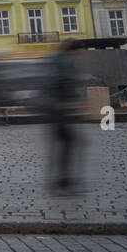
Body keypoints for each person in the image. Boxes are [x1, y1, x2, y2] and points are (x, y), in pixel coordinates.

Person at [45, 41, 81, 195]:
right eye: (79, 51)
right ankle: (62, 180)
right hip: (58, 109)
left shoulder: (56, 60)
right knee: (67, 143)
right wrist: (68, 101)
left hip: (53, 109)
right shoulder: (63, 62)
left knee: (63, 144)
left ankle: (60, 179)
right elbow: (61, 82)